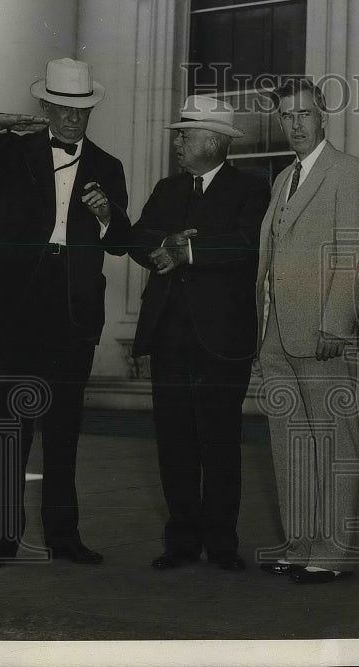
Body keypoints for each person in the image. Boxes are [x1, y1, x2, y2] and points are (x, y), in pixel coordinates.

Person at [0, 57, 131, 568]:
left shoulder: (108, 166)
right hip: (15, 303)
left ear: (90, 111)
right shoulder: (9, 152)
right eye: (62, 109)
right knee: (11, 425)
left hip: (73, 305)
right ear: (45, 107)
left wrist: (107, 214)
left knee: (65, 427)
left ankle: (64, 538)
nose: (72, 120)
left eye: (81, 111)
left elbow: (121, 243)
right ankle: (4, 539)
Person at [130, 95, 268, 572]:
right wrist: (165, 244)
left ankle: (222, 544)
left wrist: (190, 252)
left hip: (222, 338)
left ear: (213, 141)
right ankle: (181, 542)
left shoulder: (252, 190)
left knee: (221, 442)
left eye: (184, 135)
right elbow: (138, 237)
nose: (177, 143)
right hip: (168, 335)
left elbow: (250, 245)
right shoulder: (167, 189)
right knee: (174, 442)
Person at [255, 79, 359, 584]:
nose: (297, 123)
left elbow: (356, 252)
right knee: (291, 442)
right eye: (287, 116)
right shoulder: (283, 177)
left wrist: (337, 320)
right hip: (277, 332)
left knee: (333, 442)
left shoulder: (349, 173)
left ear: (323, 114)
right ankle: (301, 541)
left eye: (305, 113)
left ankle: (333, 550)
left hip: (322, 330)